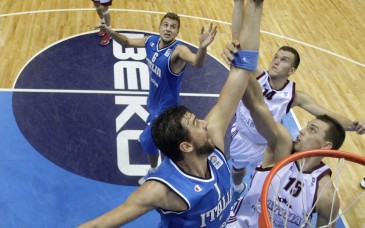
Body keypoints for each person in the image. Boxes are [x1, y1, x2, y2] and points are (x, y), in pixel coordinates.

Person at [78, 0, 264, 226]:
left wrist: (255, 6)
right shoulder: (163, 190)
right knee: (147, 141)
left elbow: (241, 71)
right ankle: (153, 165)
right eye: (197, 124)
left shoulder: (213, 142)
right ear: (186, 146)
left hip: (165, 108)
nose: (206, 123)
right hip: (156, 110)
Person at [221, 0, 365, 199]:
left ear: (292, 70)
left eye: (283, 60)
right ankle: (237, 188)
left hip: (267, 146)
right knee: (237, 170)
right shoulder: (257, 74)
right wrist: (238, 4)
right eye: (276, 57)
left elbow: (325, 115)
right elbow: (239, 44)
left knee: (263, 181)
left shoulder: (294, 95)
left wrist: (353, 125)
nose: (276, 62)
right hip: (242, 136)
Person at [96, 13, 217, 185]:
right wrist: (110, 32)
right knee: (154, 129)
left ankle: (153, 170)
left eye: (173, 27)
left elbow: (197, 62)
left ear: (177, 32)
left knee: (147, 141)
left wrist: (203, 47)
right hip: (153, 100)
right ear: (159, 27)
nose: (168, 29)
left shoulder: (178, 50)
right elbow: (127, 42)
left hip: (166, 109)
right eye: (166, 25)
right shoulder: (151, 42)